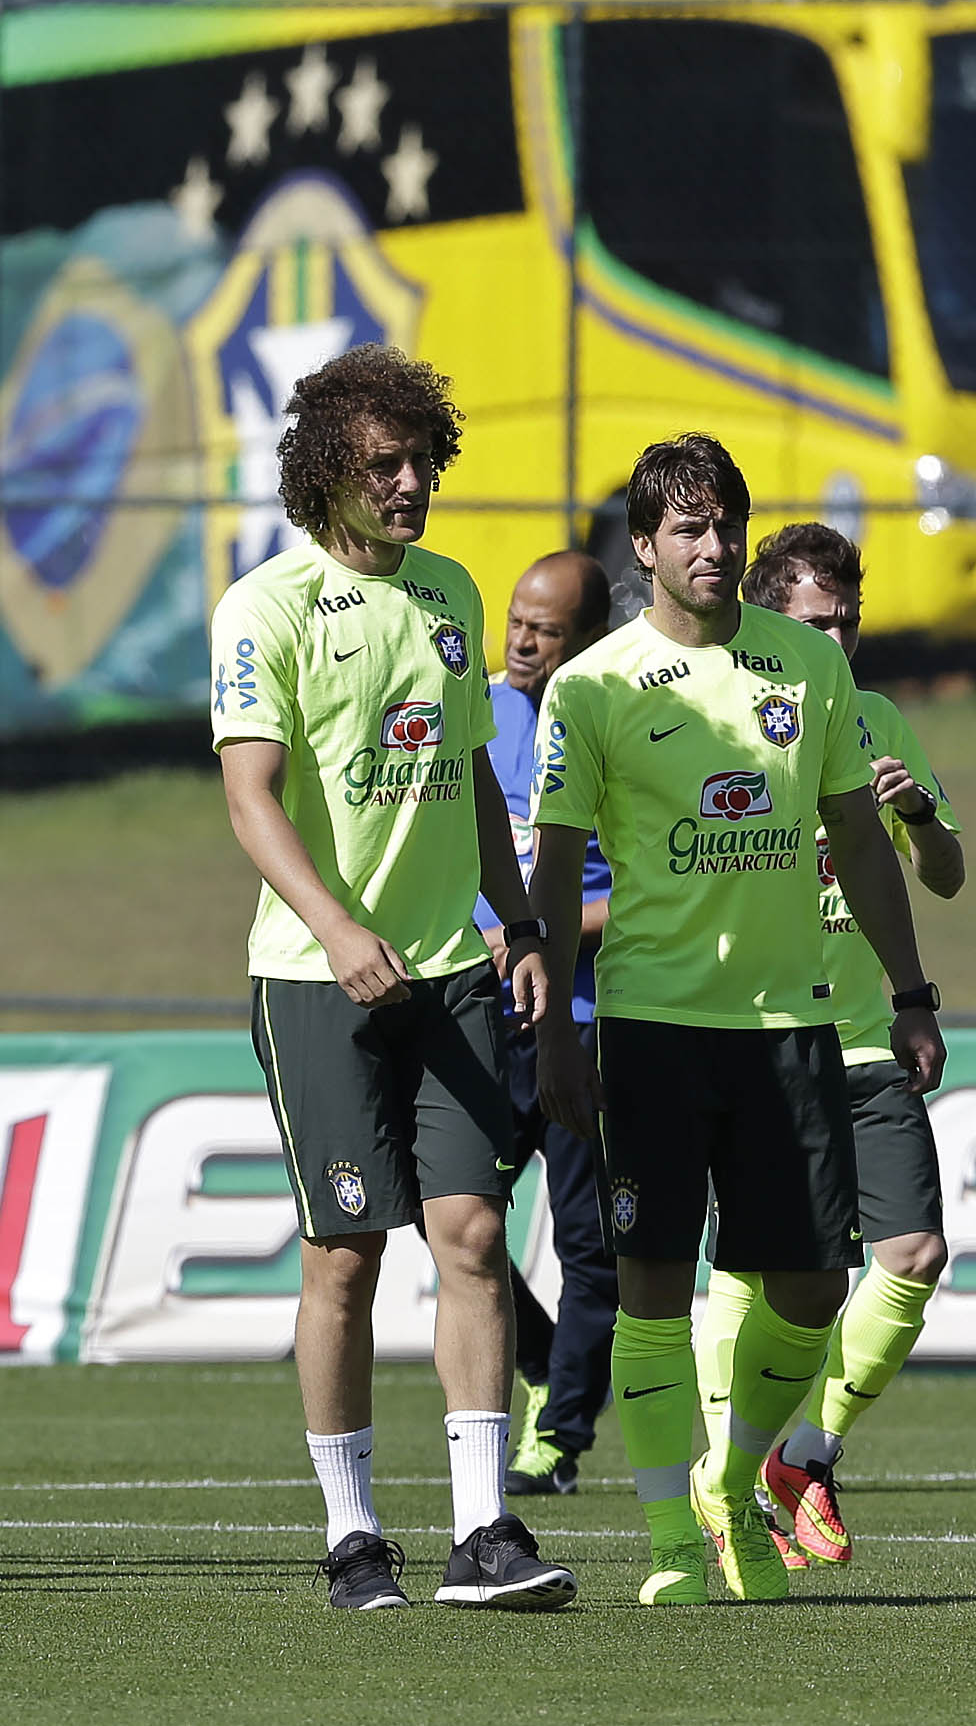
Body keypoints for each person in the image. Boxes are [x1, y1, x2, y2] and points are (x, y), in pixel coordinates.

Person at [533, 435, 939, 1604]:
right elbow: (556, 868)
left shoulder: (805, 668)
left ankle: (739, 1473)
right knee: (654, 1284)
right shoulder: (595, 685)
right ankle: (672, 1543)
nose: (713, 548)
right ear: (646, 546)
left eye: (726, 527)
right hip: (654, 1027)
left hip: (791, 1028)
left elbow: (862, 842)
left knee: (812, 1284)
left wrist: (908, 995)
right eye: (689, 531)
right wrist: (560, 1024)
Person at [212, 347, 569, 1613]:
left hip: (451, 976)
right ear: (326, 473)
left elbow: (473, 772)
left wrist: (518, 925)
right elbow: (249, 801)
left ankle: (486, 1531)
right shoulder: (263, 610)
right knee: (345, 1255)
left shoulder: (451, 595)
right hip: (316, 980)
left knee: (472, 1234)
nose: (414, 482)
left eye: (423, 460)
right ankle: (354, 1537)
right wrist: (334, 925)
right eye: (386, 464)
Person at [714, 521, 957, 1568]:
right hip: (758, 1036)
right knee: (757, 1274)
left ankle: (801, 1455)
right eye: (816, 621)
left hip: (864, 1041)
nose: (838, 638)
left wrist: (919, 818)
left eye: (848, 620)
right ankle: (720, 1487)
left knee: (912, 1254)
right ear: (770, 618)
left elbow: (944, 876)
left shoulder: (877, 717)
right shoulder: (723, 713)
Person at [470, 550, 614, 1499]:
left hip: (587, 1021)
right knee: (456, 1219)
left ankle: (557, 1439)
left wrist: (537, 935)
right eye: (517, 619)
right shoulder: (472, 709)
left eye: (546, 627)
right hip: (485, 1016)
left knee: (586, 1244)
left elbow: (650, 893)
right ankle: (547, 1361)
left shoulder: (619, 721)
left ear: (588, 638)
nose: (522, 639)